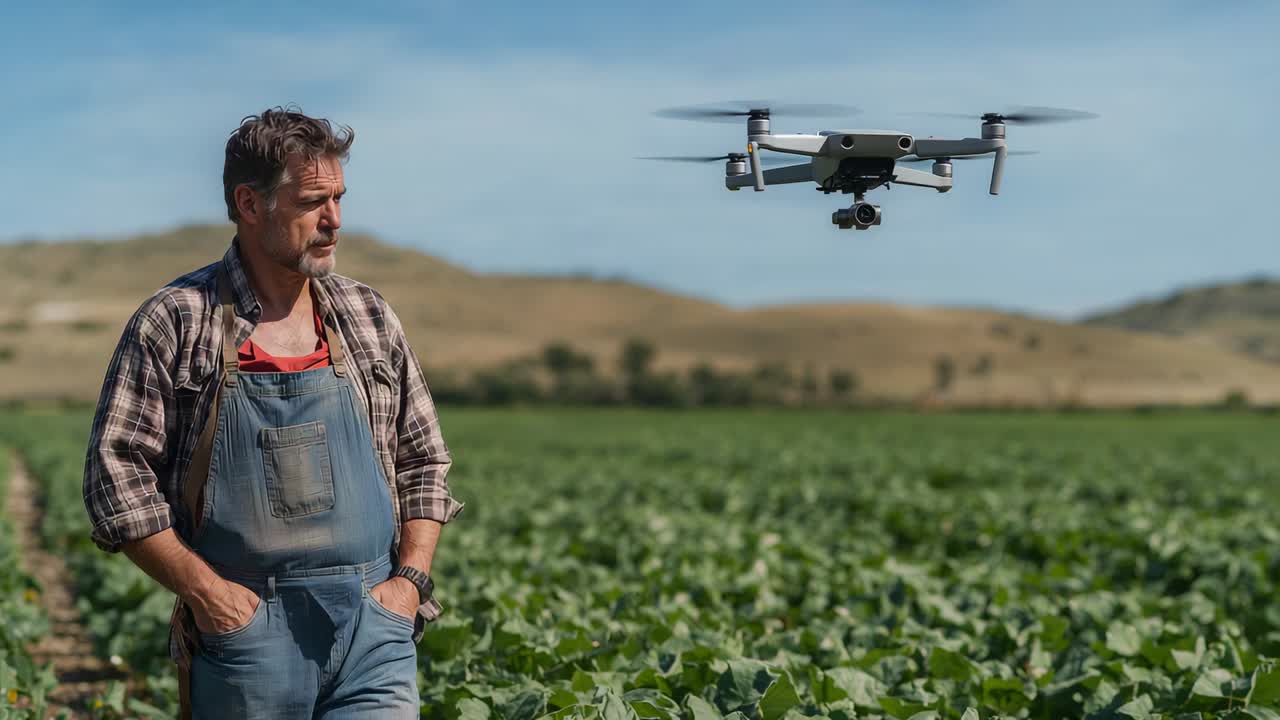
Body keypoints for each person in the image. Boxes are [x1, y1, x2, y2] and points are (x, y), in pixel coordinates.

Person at [82, 106, 463, 719]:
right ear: (250, 204)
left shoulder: (367, 315)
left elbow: (423, 456)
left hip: (376, 629)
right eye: (313, 201)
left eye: (339, 198)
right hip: (247, 636)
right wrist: (210, 596)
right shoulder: (178, 320)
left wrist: (409, 582)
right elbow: (114, 478)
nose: (334, 220)